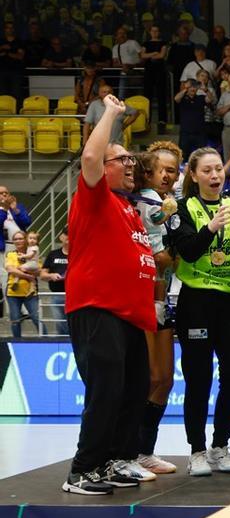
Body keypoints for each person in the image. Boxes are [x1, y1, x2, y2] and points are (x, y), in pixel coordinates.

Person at [62, 96, 157, 495]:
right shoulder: (95, 196)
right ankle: (82, 470)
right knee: (106, 391)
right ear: (107, 167)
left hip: (130, 315)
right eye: (124, 161)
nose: (131, 166)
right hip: (97, 308)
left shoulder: (128, 208)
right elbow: (89, 158)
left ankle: (110, 461)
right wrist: (112, 115)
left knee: (134, 390)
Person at [170, 148, 230, 476]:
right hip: (196, 302)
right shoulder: (183, 208)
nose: (216, 175)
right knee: (199, 379)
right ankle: (197, 450)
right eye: (207, 170)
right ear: (194, 175)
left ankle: (221, 445)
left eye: (219, 169)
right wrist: (210, 227)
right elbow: (188, 252)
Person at [131, 144, 182, 476]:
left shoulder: (169, 206)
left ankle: (144, 451)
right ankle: (128, 451)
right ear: (147, 173)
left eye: (173, 170)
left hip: (165, 299)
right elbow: (157, 256)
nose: (168, 175)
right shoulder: (143, 205)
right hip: (141, 299)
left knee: (164, 378)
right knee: (148, 378)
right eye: (163, 169)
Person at [5, 232, 41, 338]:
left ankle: (46, 339)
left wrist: (24, 273)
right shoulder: (10, 254)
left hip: (31, 294)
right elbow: (10, 269)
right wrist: (29, 277)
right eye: (15, 239)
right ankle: (17, 342)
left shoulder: (32, 253)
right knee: (15, 320)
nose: (18, 241)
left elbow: (38, 271)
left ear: (25, 239)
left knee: (37, 318)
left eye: (20, 238)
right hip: (13, 293)